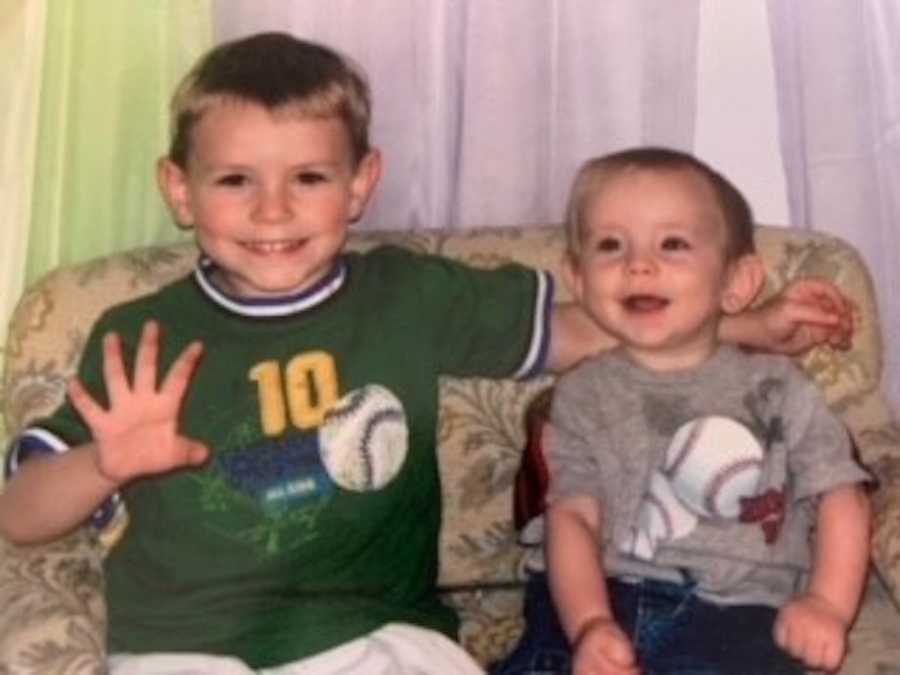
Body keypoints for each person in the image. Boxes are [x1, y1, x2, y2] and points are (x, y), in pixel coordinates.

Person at [0, 32, 855, 674]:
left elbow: (583, 328)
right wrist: (104, 463)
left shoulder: (408, 294)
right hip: (183, 645)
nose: (273, 211)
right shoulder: (135, 330)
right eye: (235, 180)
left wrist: (746, 327)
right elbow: (20, 514)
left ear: (362, 184)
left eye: (308, 177)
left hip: (378, 631)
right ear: (179, 190)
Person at [494, 148, 871, 675]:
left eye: (672, 244)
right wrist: (589, 624)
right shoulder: (581, 395)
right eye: (610, 245)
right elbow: (572, 518)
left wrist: (828, 605)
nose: (638, 263)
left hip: (738, 616)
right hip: (600, 597)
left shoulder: (779, 388)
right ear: (579, 281)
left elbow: (840, 495)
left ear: (736, 284)